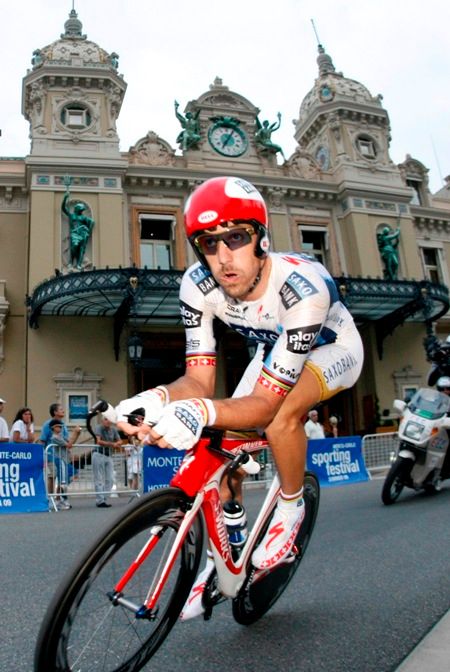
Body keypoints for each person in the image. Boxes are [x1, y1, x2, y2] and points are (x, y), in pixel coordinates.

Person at [115, 176, 364, 619]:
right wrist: (154, 398)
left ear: (261, 238)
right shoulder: (198, 285)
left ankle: (290, 509)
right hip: (273, 349)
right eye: (209, 244)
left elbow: (267, 404)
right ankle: (225, 552)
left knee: (279, 414)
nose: (224, 257)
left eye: (236, 237)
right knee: (219, 439)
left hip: (333, 350)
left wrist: (198, 409)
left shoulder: (303, 287)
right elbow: (198, 380)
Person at [39, 403, 81, 502]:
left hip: (63, 456)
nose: (63, 410)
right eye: (61, 409)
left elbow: (68, 442)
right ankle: (50, 499)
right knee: (52, 475)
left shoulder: (64, 425)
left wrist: (76, 434)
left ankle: (58, 497)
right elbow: (42, 440)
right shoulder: (47, 424)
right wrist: (41, 455)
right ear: (55, 412)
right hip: (51, 455)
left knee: (65, 476)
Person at [62, 186, 95, 270]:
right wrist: (65, 198)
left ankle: (79, 264)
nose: (81, 211)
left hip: (82, 233)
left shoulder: (83, 218)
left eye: (82, 210)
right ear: (77, 209)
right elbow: (63, 209)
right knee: (74, 246)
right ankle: (71, 262)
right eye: (80, 209)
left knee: (82, 248)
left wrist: (88, 231)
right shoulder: (72, 215)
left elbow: (92, 222)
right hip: (74, 233)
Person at [93, 414, 122, 508]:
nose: (107, 421)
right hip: (98, 454)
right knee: (99, 478)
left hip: (108, 455)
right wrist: (112, 444)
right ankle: (100, 500)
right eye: (106, 419)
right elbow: (98, 441)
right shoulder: (99, 428)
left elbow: (120, 441)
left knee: (110, 478)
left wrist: (117, 443)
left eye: (109, 419)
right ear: (102, 420)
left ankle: (104, 497)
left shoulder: (113, 429)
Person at [47, 419, 72, 510]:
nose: (60, 428)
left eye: (61, 426)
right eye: (58, 426)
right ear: (53, 428)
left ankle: (61, 499)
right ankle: (62, 499)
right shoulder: (55, 437)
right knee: (62, 481)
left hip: (64, 460)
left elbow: (69, 443)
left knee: (64, 480)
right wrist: (76, 433)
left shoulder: (61, 436)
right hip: (59, 459)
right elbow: (69, 444)